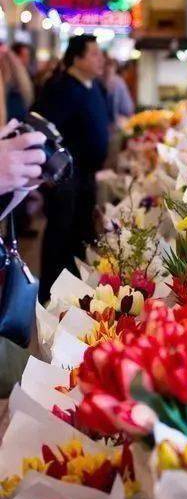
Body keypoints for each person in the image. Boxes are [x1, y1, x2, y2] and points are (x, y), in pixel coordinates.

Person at [35, 35, 110, 302]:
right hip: (65, 179)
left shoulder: (94, 87)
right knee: (60, 238)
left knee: (81, 236)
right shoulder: (61, 89)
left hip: (87, 177)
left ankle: (74, 298)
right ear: (76, 59)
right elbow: (39, 131)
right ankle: (50, 298)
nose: (101, 59)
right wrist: (48, 174)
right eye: (94, 54)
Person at [103, 54, 135, 121]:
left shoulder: (119, 83)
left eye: (110, 66)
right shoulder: (95, 84)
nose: (108, 70)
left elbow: (128, 109)